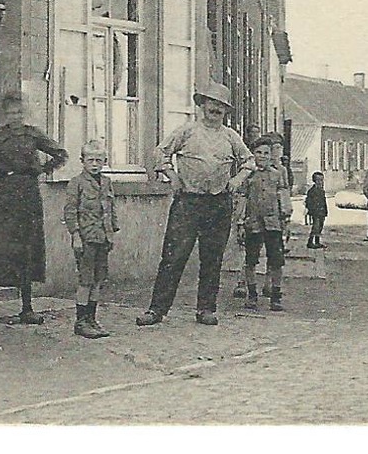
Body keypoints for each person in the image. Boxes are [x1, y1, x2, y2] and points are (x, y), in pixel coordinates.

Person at [136, 81, 253, 328]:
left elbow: (249, 162)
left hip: (218, 203)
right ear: (201, 105)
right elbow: (160, 153)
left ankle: (206, 309)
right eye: (212, 103)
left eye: (221, 105)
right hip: (188, 203)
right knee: (173, 257)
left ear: (226, 110)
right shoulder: (187, 131)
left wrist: (237, 180)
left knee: (212, 258)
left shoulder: (231, 137)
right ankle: (156, 310)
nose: (216, 109)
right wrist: (173, 177)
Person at [0, 93, 67, 325]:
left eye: (19, 112)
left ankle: (27, 308)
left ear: (24, 113)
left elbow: (60, 154)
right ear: (4, 115)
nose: (15, 117)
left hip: (28, 195)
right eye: (10, 113)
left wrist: (40, 170)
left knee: (27, 248)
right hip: (4, 195)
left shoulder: (33, 134)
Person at [64, 140, 118, 339]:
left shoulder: (106, 182)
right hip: (86, 238)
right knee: (86, 280)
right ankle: (81, 321)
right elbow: (70, 211)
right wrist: (75, 235)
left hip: (103, 238)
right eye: (90, 160)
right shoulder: (76, 183)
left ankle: (91, 319)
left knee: (98, 280)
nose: (94, 164)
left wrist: (111, 233)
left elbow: (111, 209)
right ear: (82, 161)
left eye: (99, 160)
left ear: (104, 161)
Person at [237, 135, 292, 312]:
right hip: (253, 223)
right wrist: (239, 222)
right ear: (253, 155)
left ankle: (275, 297)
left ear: (271, 155)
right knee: (251, 260)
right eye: (258, 153)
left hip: (273, 224)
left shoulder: (277, 175)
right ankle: (252, 296)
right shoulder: (248, 175)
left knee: (276, 261)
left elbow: (283, 198)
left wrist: (285, 220)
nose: (262, 156)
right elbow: (242, 198)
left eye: (266, 153)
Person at [304, 171, 329, 249]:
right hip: (315, 212)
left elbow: (324, 201)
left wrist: (326, 210)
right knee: (315, 227)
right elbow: (308, 202)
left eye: (321, 180)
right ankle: (310, 241)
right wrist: (311, 210)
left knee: (320, 227)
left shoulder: (322, 191)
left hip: (321, 212)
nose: (320, 182)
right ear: (314, 181)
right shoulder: (312, 191)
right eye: (318, 180)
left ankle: (317, 242)